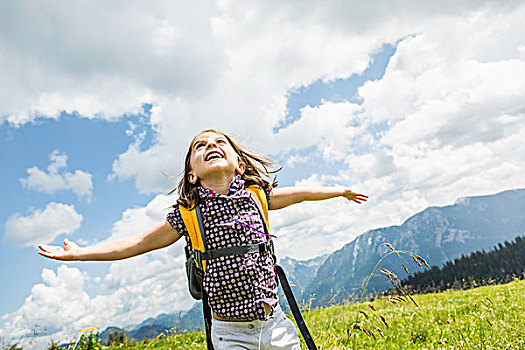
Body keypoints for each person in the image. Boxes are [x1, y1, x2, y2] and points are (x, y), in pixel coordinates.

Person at [39, 129, 368, 349]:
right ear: (192, 174)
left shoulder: (257, 195)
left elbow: (300, 195)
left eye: (219, 142)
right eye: (200, 145)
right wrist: (81, 253)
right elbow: (136, 243)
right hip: (229, 334)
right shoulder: (187, 213)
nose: (211, 146)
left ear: (239, 165)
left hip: (274, 324)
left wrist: (338, 191)